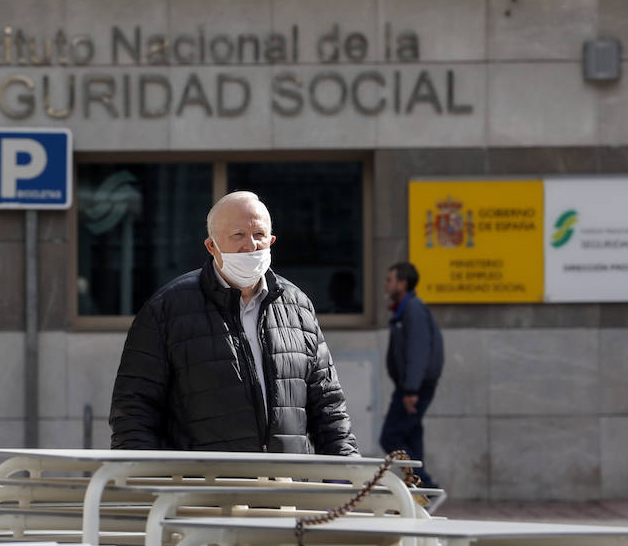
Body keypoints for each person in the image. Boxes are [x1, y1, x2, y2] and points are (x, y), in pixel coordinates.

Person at [109, 190, 358, 455]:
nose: (251, 246)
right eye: (238, 235)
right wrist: (154, 485)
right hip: (205, 489)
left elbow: (329, 408)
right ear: (211, 246)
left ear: (272, 240)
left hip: (286, 487)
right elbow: (134, 412)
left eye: (259, 235)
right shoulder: (167, 310)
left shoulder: (298, 307)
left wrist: (346, 473)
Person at [380, 260, 444, 487]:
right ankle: (421, 494)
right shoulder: (404, 309)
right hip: (409, 386)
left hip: (412, 389)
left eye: (390, 280)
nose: (386, 285)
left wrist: (411, 390)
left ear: (403, 283)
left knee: (391, 437)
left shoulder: (412, 309)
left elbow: (418, 351)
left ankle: (426, 486)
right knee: (411, 437)